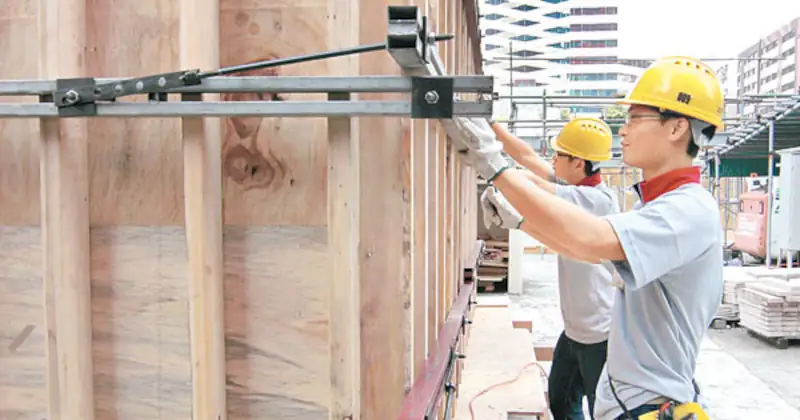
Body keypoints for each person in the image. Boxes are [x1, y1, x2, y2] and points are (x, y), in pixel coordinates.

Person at [459, 56, 722, 420]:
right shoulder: (657, 206)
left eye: (635, 118)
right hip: (631, 401)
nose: (624, 130)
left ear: (677, 128)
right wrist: (520, 222)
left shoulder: (688, 210)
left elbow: (591, 240)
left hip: (646, 406)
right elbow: (586, 252)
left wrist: (494, 164)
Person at [482, 117, 620, 420]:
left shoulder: (596, 201)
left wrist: (493, 167)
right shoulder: (572, 187)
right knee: (560, 403)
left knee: (604, 412)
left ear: (579, 162)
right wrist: (490, 125)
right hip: (574, 332)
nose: (553, 159)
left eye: (560, 154)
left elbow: (534, 184)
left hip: (601, 335)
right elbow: (528, 158)